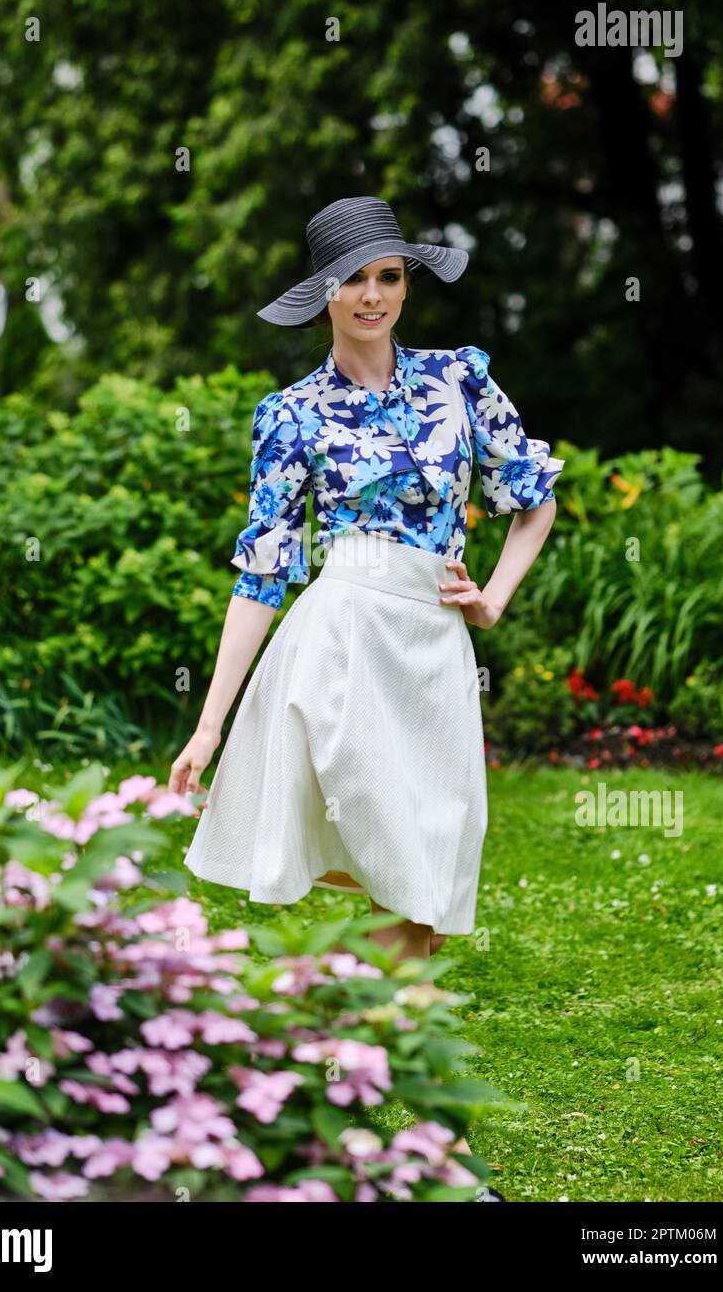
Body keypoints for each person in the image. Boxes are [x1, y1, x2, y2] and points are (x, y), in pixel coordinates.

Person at [170, 196, 564, 965]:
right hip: (342, 633)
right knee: (380, 821)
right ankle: (395, 1023)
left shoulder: (459, 380)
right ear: (325, 290)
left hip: (433, 640)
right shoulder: (292, 415)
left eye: (389, 276)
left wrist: (493, 600)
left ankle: (383, 1027)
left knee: (430, 832)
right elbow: (262, 573)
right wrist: (210, 723)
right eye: (354, 279)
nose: (373, 294)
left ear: (408, 285)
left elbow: (533, 498)